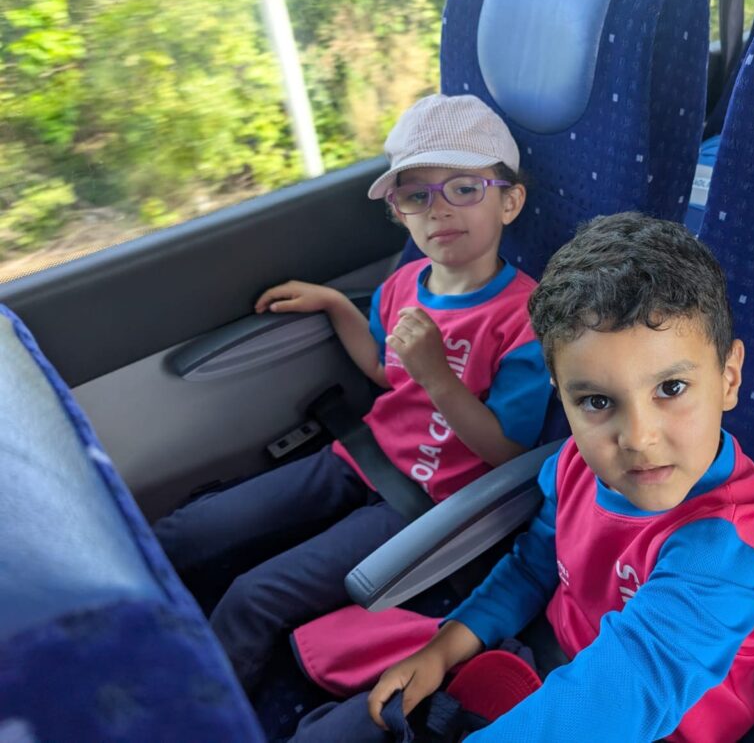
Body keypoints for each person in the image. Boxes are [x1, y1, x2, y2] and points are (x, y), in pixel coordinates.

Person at [291, 212, 754, 742]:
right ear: (560, 394)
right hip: (545, 659)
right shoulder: (574, 466)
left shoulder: (723, 555)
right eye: (597, 402)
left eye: (672, 389)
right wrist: (446, 648)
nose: (638, 439)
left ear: (729, 378)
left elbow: (615, 697)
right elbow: (532, 568)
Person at [153, 93, 552, 693]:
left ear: (509, 201)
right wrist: (338, 305)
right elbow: (386, 373)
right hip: (358, 457)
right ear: (400, 213)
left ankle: (198, 712)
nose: (440, 209)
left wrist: (439, 376)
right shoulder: (402, 286)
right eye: (417, 196)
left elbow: (507, 453)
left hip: (429, 504)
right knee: (192, 529)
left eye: (465, 188)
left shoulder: (525, 318)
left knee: (252, 597)